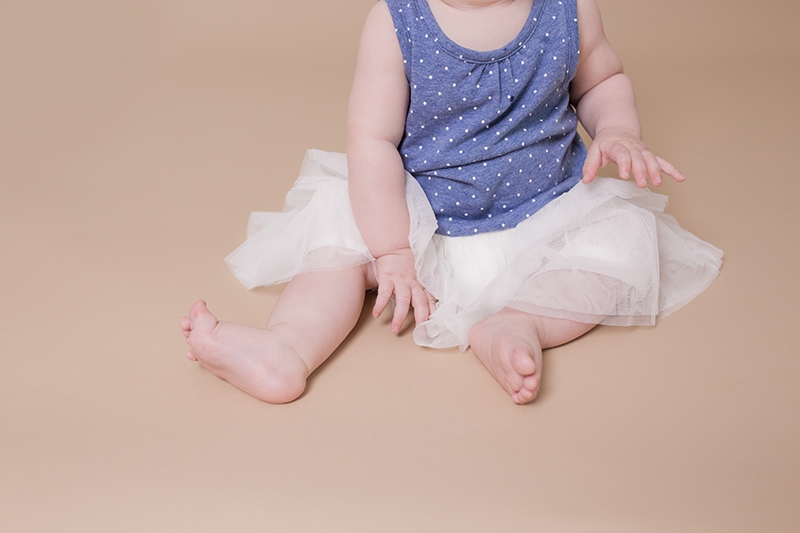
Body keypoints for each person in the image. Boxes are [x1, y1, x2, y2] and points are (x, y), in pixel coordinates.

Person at [180, 0, 722, 405]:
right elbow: (371, 141)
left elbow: (602, 79)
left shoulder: (567, 7)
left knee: (626, 233)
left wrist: (619, 130)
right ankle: (288, 346)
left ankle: (518, 323)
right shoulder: (398, 22)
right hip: (420, 227)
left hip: (545, 217)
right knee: (341, 227)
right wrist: (392, 250)